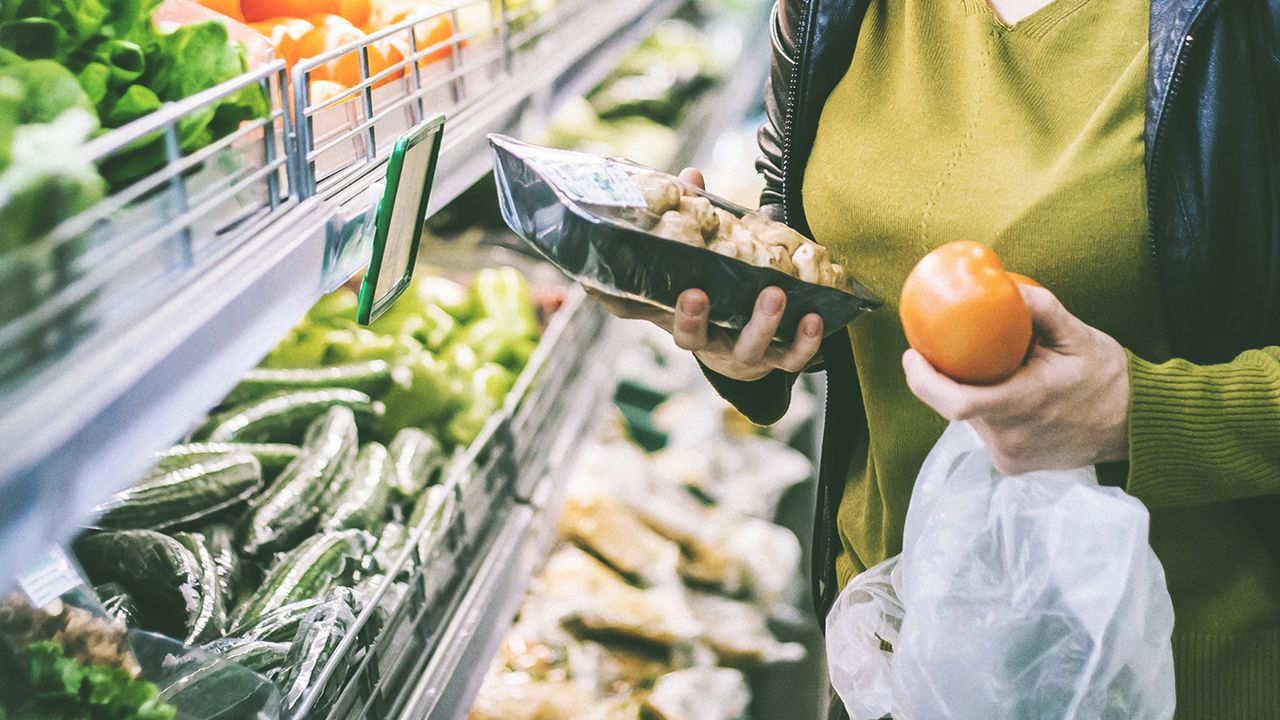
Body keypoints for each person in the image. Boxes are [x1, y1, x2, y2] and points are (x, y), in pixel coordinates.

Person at [590, 0, 1280, 716]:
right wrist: (745, 323)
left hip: (1181, 668)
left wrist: (1139, 412)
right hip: (895, 649)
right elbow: (816, 251)